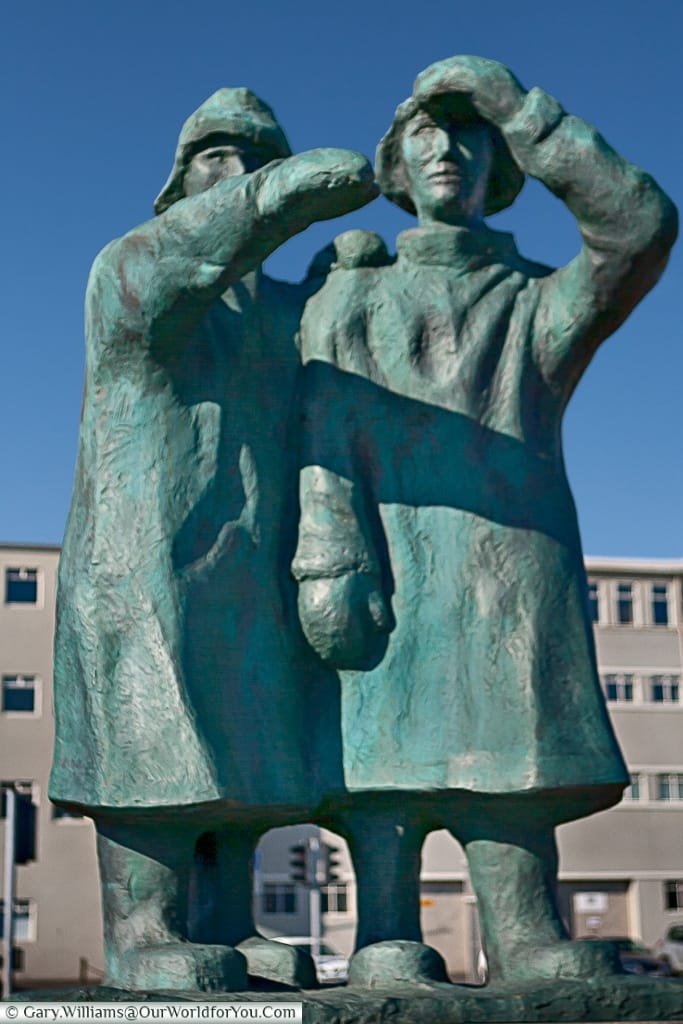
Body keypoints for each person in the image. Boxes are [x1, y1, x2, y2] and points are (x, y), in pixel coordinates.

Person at [292, 56, 677, 984]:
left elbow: (639, 227)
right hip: (384, 560)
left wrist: (521, 110)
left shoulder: (538, 302)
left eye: (468, 132)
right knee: (375, 759)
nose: (445, 149)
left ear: (500, 162)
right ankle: (381, 930)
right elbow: (319, 431)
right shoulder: (353, 292)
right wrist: (327, 552)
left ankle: (521, 934)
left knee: (512, 760)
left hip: (511, 564)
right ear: (394, 160)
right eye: (424, 130)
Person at [49, 87, 376, 992]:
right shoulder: (133, 264)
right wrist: (284, 194)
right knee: (155, 735)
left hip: (251, 558)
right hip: (144, 551)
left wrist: (345, 279)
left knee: (244, 735)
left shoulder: (277, 317)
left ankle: (232, 920)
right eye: (215, 157)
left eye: (253, 157)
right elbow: (202, 254)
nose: (235, 173)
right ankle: (141, 929)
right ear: (178, 184)